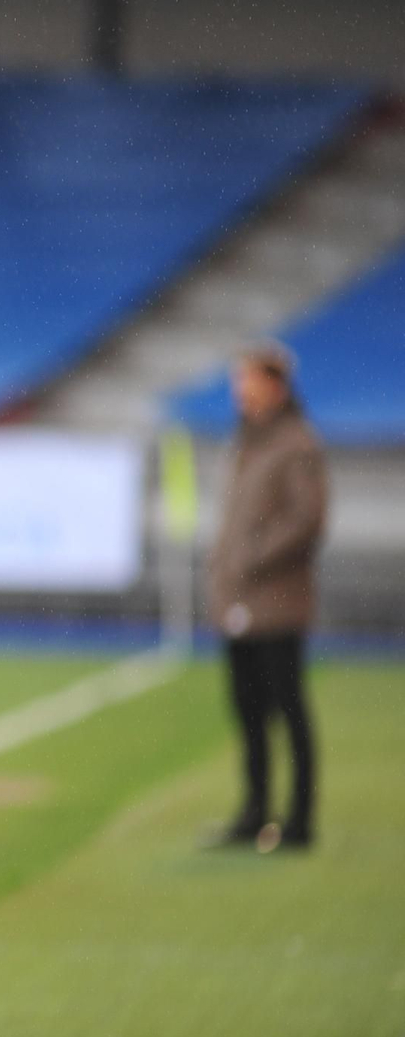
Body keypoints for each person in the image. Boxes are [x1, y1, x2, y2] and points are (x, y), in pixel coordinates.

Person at [206, 341, 327, 853]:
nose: (239, 390)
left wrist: (254, 556)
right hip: (238, 601)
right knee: (247, 708)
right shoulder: (246, 441)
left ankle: (298, 819)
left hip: (277, 601)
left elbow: (307, 519)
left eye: (247, 379)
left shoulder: (296, 444)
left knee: (288, 707)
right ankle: (254, 811)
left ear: (275, 386)